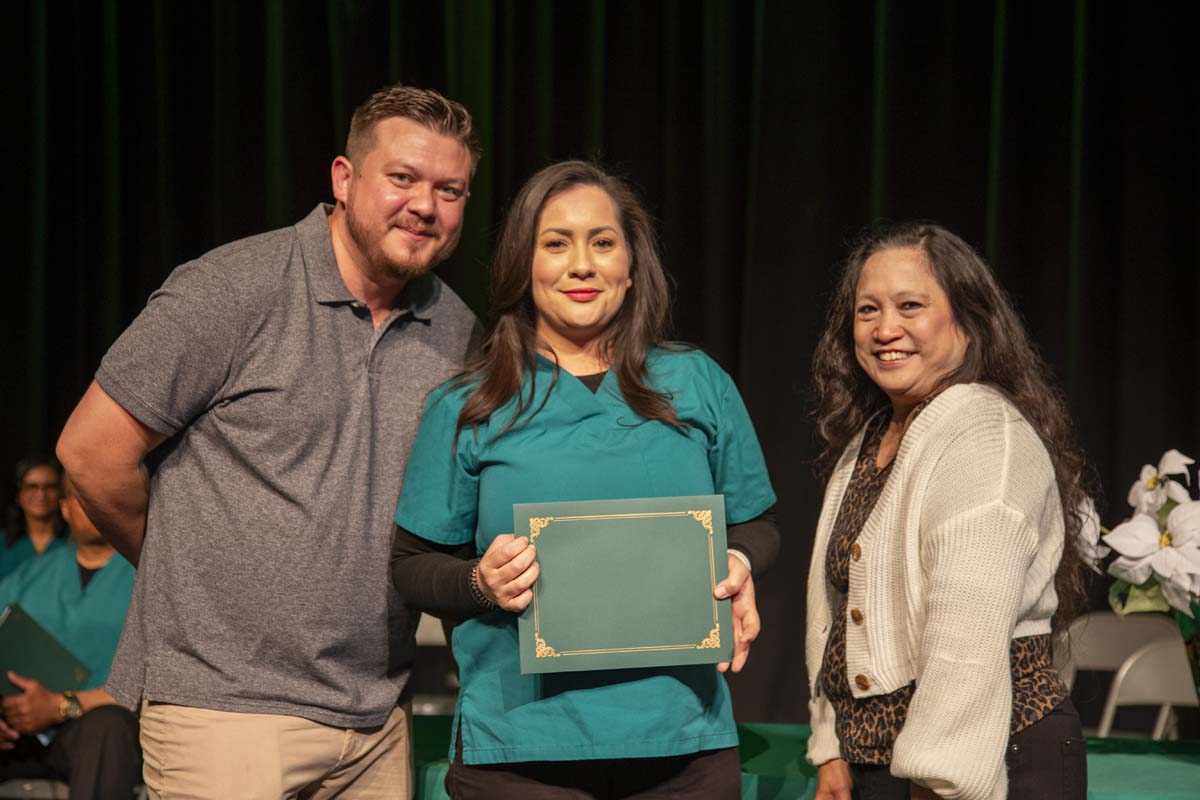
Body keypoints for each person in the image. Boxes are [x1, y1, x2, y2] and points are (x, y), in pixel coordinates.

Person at [55, 84, 482, 798]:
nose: (425, 206)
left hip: (375, 720)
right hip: (222, 710)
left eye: (451, 189)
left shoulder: (458, 333)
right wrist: (182, 571)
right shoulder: (233, 289)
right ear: (344, 180)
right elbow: (90, 453)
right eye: (402, 178)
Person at [391, 160, 780, 799]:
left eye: (602, 243)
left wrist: (737, 559)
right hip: (518, 752)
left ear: (631, 267)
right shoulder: (470, 404)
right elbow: (411, 565)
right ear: (524, 264)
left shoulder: (697, 384)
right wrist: (479, 582)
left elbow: (757, 525)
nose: (581, 265)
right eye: (556, 244)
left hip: (683, 745)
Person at [805, 222, 1091, 800]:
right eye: (868, 310)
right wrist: (831, 744)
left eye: (911, 306)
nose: (886, 329)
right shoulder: (873, 437)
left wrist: (943, 777)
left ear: (967, 319)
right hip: (886, 761)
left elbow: (968, 629)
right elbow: (835, 612)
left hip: (987, 762)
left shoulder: (983, 433)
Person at [0, 473, 139, 799]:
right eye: (82, 496)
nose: (94, 506)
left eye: (103, 497)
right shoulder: (29, 576)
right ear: (64, 507)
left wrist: (62, 705)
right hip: (16, 730)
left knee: (108, 728)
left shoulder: (143, 576)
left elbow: (159, 676)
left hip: (90, 730)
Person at [0, 457, 69, 580]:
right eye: (32, 487)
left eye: (50, 487)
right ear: (18, 495)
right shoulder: (2, 544)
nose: (41, 494)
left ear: (60, 493)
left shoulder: (75, 541)